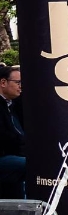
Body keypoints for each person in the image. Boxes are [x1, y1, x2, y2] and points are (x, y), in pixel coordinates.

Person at [0, 67, 24, 200]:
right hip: (5, 155)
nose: (21, 87)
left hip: (16, 153)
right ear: (3, 83)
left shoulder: (14, 104)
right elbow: (6, 137)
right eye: (18, 83)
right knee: (34, 164)